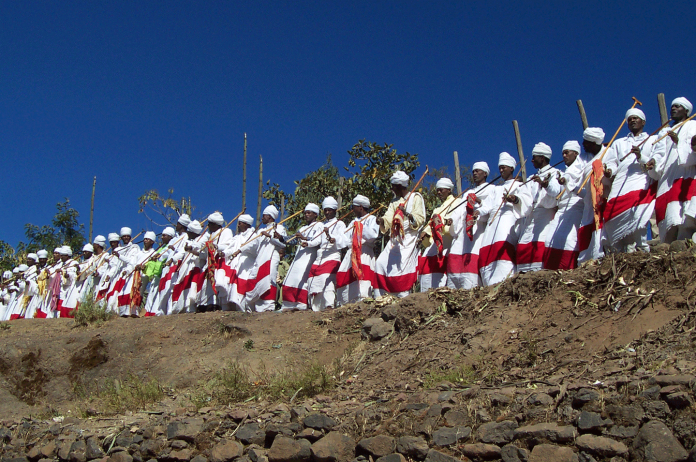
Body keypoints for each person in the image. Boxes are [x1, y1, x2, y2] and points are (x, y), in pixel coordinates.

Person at [602, 108, 664, 253]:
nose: (632, 121)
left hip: (641, 179)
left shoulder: (653, 139)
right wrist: (610, 171)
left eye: (635, 118)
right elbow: (612, 162)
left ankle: (641, 247)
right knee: (613, 214)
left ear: (643, 122)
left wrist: (641, 156)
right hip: (621, 182)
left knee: (638, 214)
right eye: (629, 119)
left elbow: (656, 159)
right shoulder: (619, 142)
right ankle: (623, 250)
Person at [477, 152, 530, 286]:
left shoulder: (520, 185)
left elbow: (526, 203)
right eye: (500, 168)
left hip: (506, 222)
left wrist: (514, 199)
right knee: (487, 254)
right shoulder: (496, 189)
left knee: (502, 254)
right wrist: (477, 212)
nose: (501, 170)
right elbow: (487, 206)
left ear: (512, 168)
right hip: (492, 224)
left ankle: (503, 284)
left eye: (504, 167)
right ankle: (489, 286)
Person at [374, 171, 426, 297]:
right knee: (380, 263)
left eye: (393, 186)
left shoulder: (415, 197)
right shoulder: (394, 202)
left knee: (402, 268)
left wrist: (406, 213)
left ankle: (403, 296)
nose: (391, 189)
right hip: (395, 239)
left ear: (400, 186)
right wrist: (381, 220)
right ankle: (381, 296)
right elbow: (388, 217)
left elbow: (420, 219)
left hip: (409, 238)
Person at [653, 97, 696, 242]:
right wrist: (652, 163)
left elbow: (693, 151)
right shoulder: (664, 132)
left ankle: (688, 241)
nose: (673, 108)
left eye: (678, 106)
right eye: (672, 106)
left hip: (686, 173)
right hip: (668, 178)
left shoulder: (692, 125)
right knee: (671, 216)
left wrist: (678, 142)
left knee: (685, 211)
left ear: (686, 111)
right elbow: (659, 155)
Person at [447, 162, 494, 289]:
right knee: (455, 262)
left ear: (485, 173)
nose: (474, 173)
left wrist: (478, 201)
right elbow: (458, 211)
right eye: (473, 171)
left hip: (477, 231)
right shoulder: (469, 192)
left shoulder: (491, 189)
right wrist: (451, 220)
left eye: (478, 171)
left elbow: (491, 208)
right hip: (462, 234)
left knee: (471, 269)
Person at [516, 142, 559, 272]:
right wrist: (516, 200)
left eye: (535, 157)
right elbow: (526, 199)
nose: (532, 160)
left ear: (543, 158)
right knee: (523, 247)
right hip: (530, 219)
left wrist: (545, 185)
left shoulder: (555, 173)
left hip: (545, 218)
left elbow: (556, 195)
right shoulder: (531, 178)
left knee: (541, 247)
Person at [543, 141, 587, 270]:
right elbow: (556, 192)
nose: (564, 155)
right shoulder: (562, 173)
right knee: (550, 240)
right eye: (562, 153)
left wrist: (568, 183)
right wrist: (548, 185)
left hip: (576, 208)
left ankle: (569, 271)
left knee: (569, 241)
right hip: (562, 210)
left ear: (576, 153)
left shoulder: (582, 169)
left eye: (567, 152)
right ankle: (553, 272)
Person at [418, 178, 460, 291]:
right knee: (426, 263)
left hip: (448, 243)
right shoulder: (437, 209)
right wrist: (425, 233)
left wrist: (443, 225)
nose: (439, 193)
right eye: (437, 191)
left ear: (449, 190)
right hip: (435, 244)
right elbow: (429, 226)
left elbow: (455, 222)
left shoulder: (457, 202)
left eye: (441, 190)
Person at [336, 195, 379, 305]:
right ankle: (347, 303)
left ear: (360, 207)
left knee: (363, 279)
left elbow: (373, 235)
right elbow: (345, 238)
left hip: (364, 252)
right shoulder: (352, 222)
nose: (352, 209)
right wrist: (333, 238)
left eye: (354, 206)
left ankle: (363, 302)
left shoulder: (372, 219)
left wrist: (360, 227)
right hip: (351, 254)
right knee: (348, 279)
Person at [244, 205, 287, 312]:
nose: (262, 218)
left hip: (272, 257)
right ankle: (254, 307)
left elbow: (283, 244)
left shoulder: (280, 228)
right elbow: (252, 246)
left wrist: (269, 236)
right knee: (254, 278)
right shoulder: (260, 231)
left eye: (264, 216)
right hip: (259, 259)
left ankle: (268, 306)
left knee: (269, 280)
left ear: (270, 216)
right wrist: (239, 249)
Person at [281, 203, 324, 311]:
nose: (306, 215)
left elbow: (318, 240)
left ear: (315, 214)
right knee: (291, 279)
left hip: (308, 257)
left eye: (309, 213)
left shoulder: (319, 225)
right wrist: (281, 238)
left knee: (301, 279)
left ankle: (301, 304)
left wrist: (305, 238)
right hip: (298, 257)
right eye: (305, 213)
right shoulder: (303, 227)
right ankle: (288, 305)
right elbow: (293, 240)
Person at [307, 197, 346, 311]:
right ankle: (316, 307)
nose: (327, 212)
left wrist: (332, 238)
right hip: (320, 256)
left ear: (335, 210)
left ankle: (329, 305)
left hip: (332, 255)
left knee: (326, 279)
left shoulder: (340, 224)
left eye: (330, 210)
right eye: (325, 210)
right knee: (312, 279)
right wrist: (306, 242)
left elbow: (343, 239)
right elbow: (317, 240)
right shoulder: (322, 225)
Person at [577, 128, 608, 264]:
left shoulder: (608, 153)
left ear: (594, 143)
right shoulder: (585, 160)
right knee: (586, 233)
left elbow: (613, 170)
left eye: (586, 142)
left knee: (601, 233)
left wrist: (608, 172)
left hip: (602, 201)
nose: (583, 144)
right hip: (589, 204)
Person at [197, 212, 235, 311]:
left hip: (220, 261)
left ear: (215, 224)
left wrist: (216, 247)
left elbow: (228, 245)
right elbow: (200, 244)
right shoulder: (209, 235)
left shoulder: (226, 231)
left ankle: (216, 304)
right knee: (207, 284)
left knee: (217, 282)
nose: (208, 226)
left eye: (209, 224)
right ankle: (207, 304)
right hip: (209, 262)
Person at [170, 220, 209, 314]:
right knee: (183, 286)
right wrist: (173, 258)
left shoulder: (203, 238)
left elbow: (199, 247)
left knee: (192, 287)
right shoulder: (189, 240)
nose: (187, 233)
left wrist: (191, 248)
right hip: (186, 267)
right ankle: (182, 308)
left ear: (192, 232)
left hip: (195, 267)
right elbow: (183, 252)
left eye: (189, 231)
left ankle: (191, 308)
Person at [219, 214, 256, 311]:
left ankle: (245, 309)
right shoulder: (237, 237)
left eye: (240, 223)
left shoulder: (254, 235)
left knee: (244, 287)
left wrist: (243, 249)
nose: (238, 226)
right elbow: (230, 249)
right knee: (234, 288)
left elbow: (254, 248)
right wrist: (224, 254)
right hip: (236, 266)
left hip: (247, 266)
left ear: (246, 224)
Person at [108, 227, 142, 316]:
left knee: (126, 293)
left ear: (130, 237)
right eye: (124, 236)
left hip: (129, 273)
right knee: (114, 295)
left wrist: (119, 256)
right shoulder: (119, 249)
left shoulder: (134, 248)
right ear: (121, 238)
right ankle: (115, 313)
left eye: (128, 236)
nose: (126, 238)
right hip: (119, 274)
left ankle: (128, 312)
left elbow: (132, 262)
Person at [142, 227, 176, 316]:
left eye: (164, 235)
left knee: (158, 293)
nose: (162, 237)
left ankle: (154, 311)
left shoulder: (171, 246)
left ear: (170, 237)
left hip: (162, 273)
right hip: (156, 273)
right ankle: (147, 312)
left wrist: (157, 255)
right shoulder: (162, 247)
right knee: (151, 293)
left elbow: (164, 256)